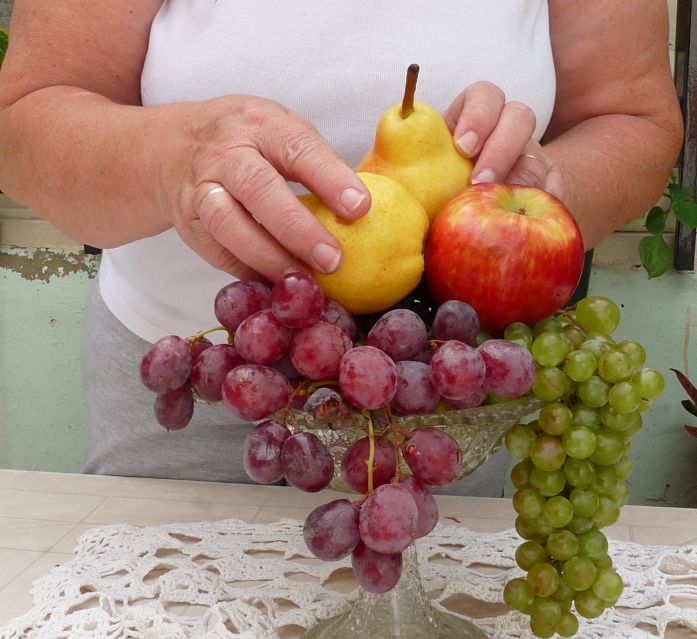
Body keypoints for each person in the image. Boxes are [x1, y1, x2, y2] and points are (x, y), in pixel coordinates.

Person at [0, 1, 683, 491]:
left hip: (450, 398)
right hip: (197, 385)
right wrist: (172, 161)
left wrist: (535, 200)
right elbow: (25, 119)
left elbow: (631, 117)